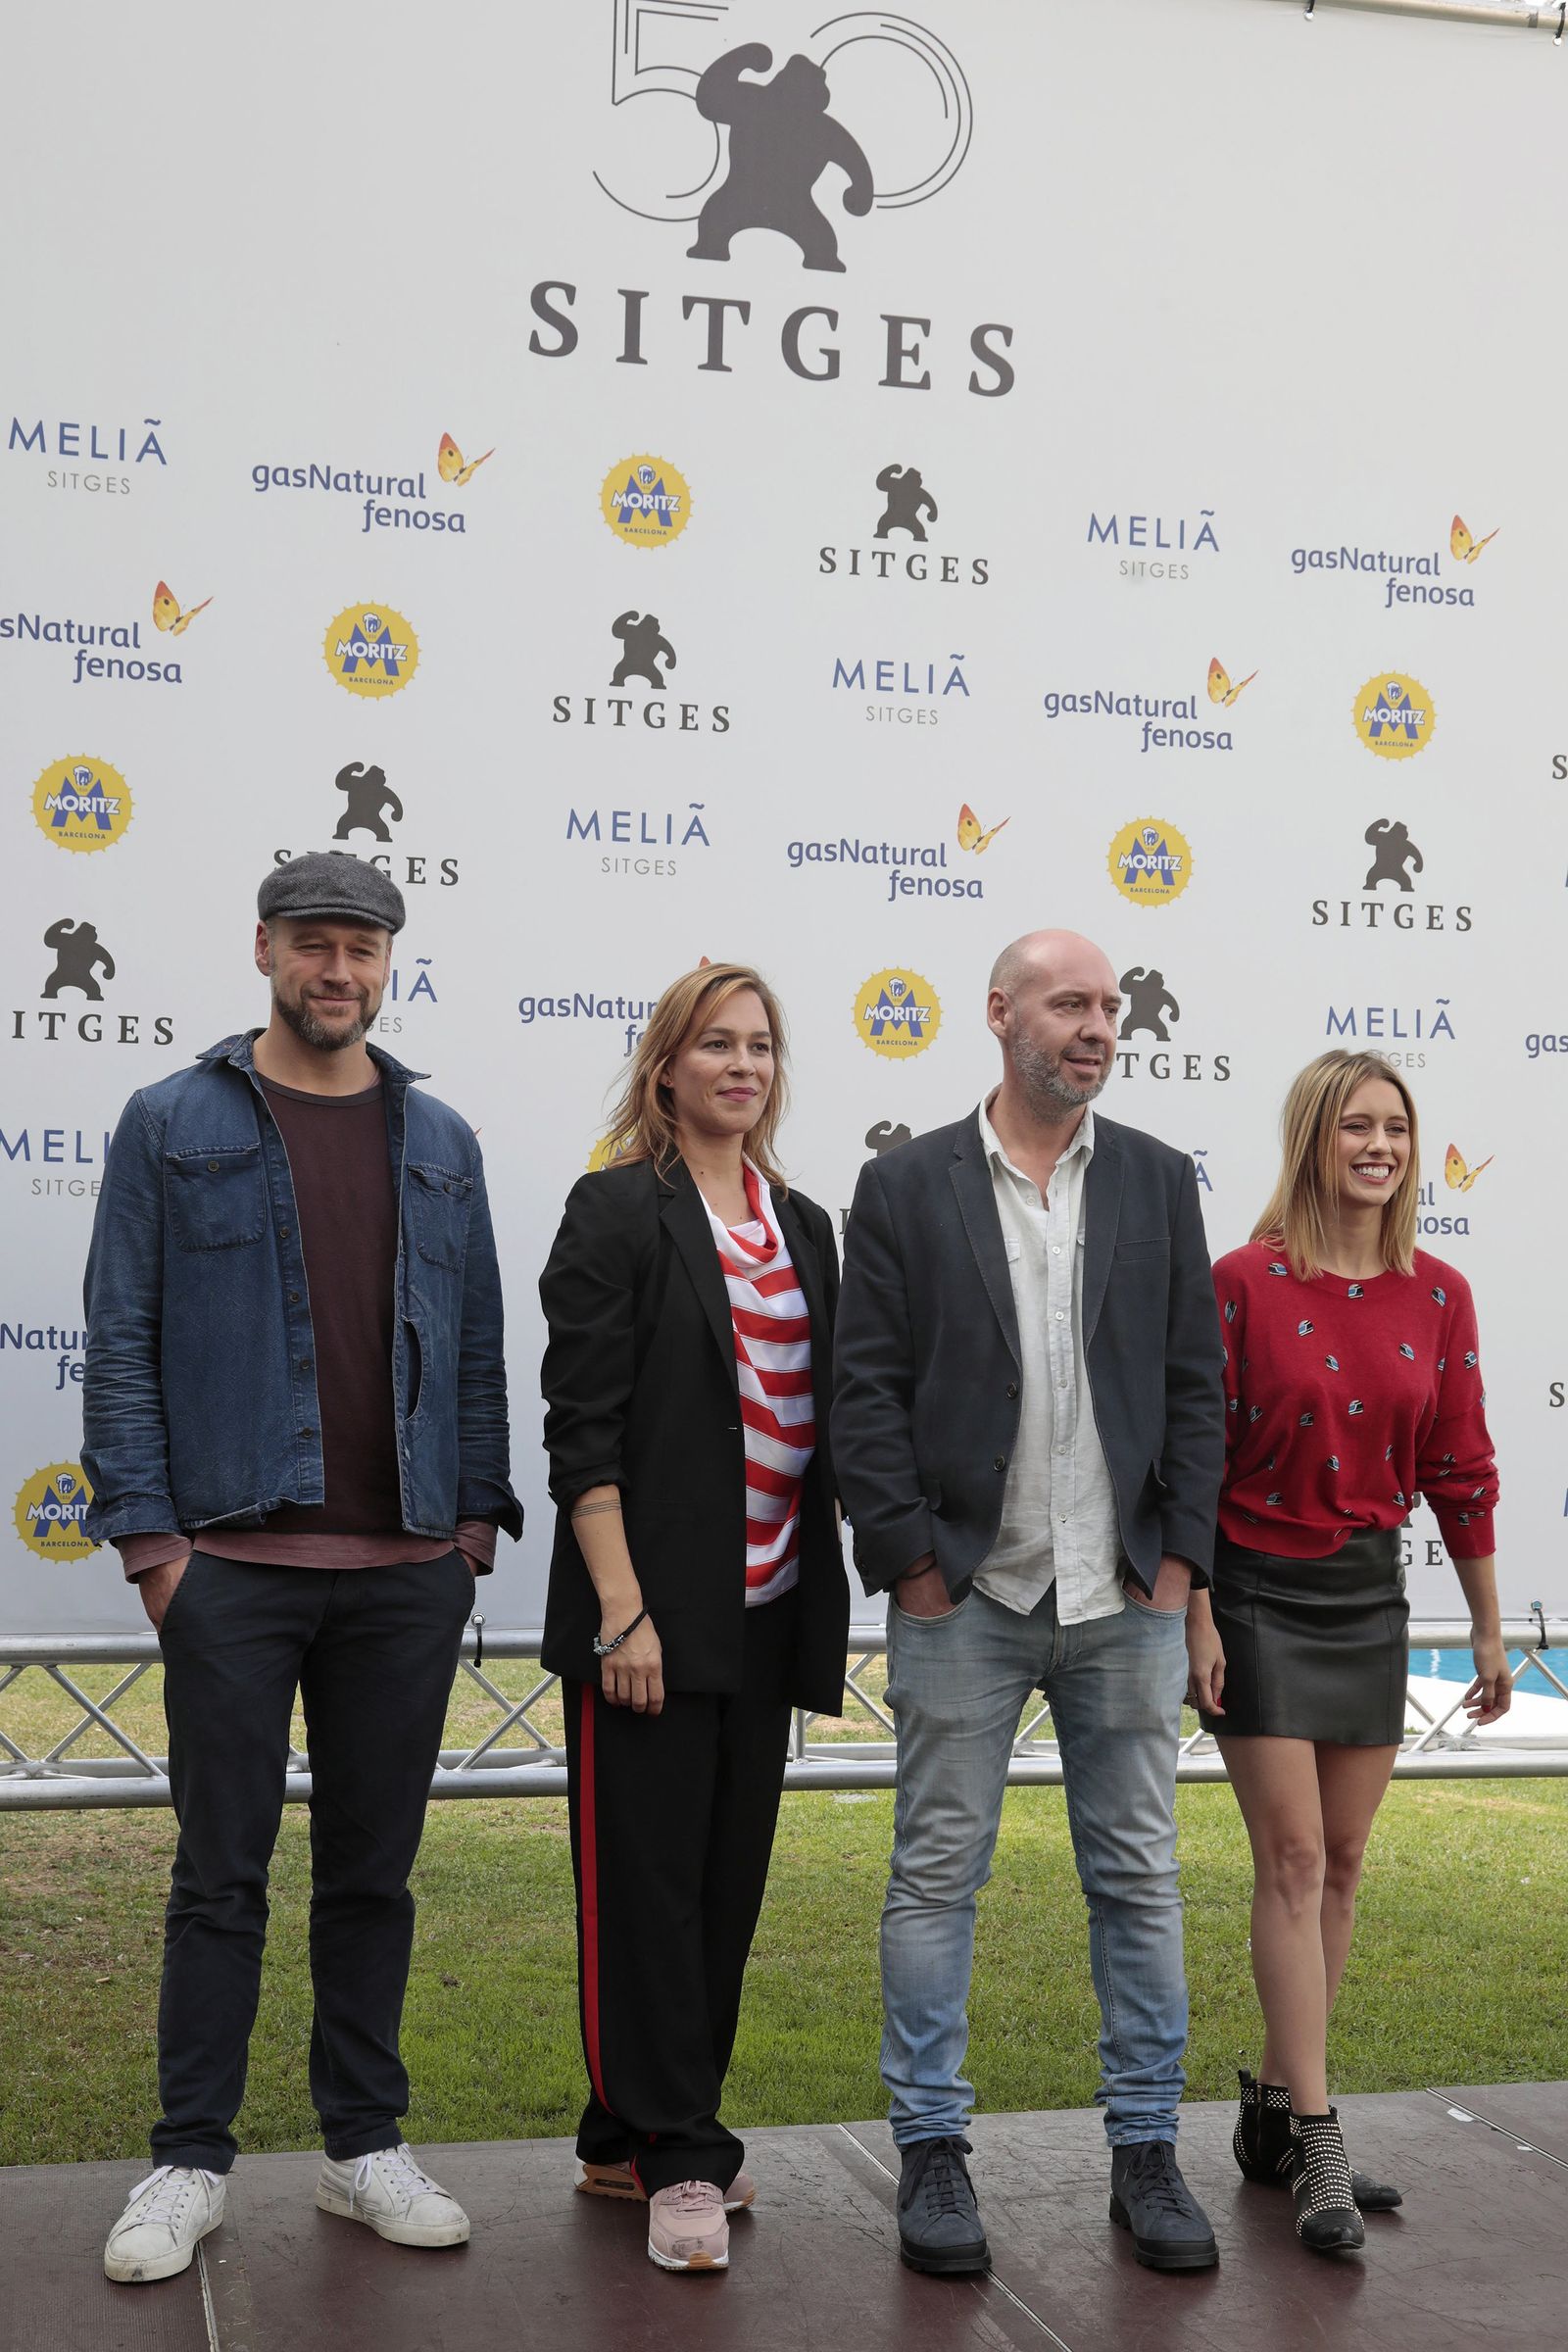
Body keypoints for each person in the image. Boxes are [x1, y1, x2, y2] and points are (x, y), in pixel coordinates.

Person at [83, 854, 520, 2284]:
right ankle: (188, 2161)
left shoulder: (438, 1136)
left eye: (363, 949)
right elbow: (122, 1339)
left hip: (405, 1571)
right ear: (265, 948)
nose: (340, 971)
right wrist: (156, 1549)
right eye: (316, 945)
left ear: (391, 963)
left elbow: (474, 1350)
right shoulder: (172, 1121)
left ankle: (361, 2146)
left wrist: (466, 1536)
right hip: (232, 1564)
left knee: (372, 1877)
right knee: (220, 1878)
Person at [831, 930, 1224, 2278]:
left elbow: (1195, 1386)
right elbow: (864, 1393)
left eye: (1109, 1006)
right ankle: (932, 2151)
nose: (1099, 1025)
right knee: (935, 1877)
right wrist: (913, 1567)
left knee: (1139, 1879)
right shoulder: (904, 1185)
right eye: (1069, 1004)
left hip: (1125, 1594)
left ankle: (1147, 2151)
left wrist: (1177, 1567)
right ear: (1000, 1014)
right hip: (967, 1596)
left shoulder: (1159, 1179)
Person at [538, 961, 848, 2276]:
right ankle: (681, 2154)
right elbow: (583, 1433)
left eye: (759, 1046)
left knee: (721, 1894)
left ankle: (625, 2134)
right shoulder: (615, 1211)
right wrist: (624, 1615)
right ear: (664, 1067)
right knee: (646, 1894)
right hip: (649, 1622)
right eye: (714, 1044)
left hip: (767, 1613)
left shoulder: (807, 1226)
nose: (741, 1066)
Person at [1193, 1051, 1509, 2253]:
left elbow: (1461, 1467)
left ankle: (1274, 2115)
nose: (1378, 1146)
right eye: (1353, 1127)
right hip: (1255, 1592)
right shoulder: (1240, 1282)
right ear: (1312, 1140)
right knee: (1289, 1857)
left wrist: (1485, 1623)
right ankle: (1318, 2138)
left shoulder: (1440, 1293)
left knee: (1342, 1862)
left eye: (1395, 1128)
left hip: (1368, 1597)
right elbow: (1192, 1460)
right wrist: (1196, 1611)